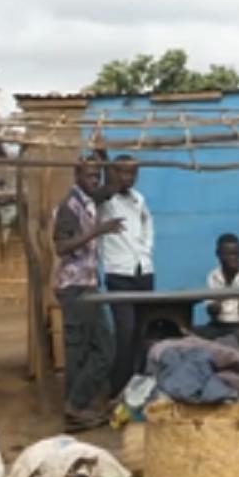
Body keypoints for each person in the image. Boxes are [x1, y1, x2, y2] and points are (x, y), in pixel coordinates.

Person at [54, 158, 121, 430]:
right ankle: (75, 407)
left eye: (97, 176)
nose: (95, 180)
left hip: (88, 286)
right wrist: (96, 231)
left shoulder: (90, 198)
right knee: (91, 350)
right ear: (76, 174)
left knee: (95, 348)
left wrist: (102, 153)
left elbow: (113, 185)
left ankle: (77, 407)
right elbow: (61, 247)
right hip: (74, 287)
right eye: (90, 176)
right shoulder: (69, 207)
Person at [100, 156, 155, 394]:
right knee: (125, 332)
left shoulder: (139, 199)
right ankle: (118, 389)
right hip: (119, 273)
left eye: (133, 173)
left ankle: (140, 387)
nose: (128, 178)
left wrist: (145, 250)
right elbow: (104, 180)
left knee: (143, 332)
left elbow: (147, 227)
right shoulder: (105, 200)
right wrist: (103, 154)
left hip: (143, 272)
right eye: (123, 173)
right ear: (113, 173)